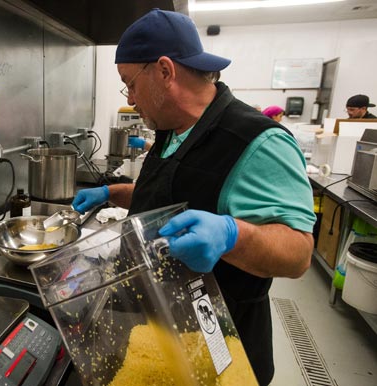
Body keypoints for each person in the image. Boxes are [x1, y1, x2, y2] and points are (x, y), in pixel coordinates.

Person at [72, 9, 315, 386]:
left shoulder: (257, 141)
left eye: (130, 84)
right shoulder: (174, 129)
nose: (130, 99)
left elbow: (299, 252)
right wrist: (111, 193)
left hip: (222, 346)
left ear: (165, 71)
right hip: (162, 333)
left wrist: (231, 234)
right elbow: (175, 192)